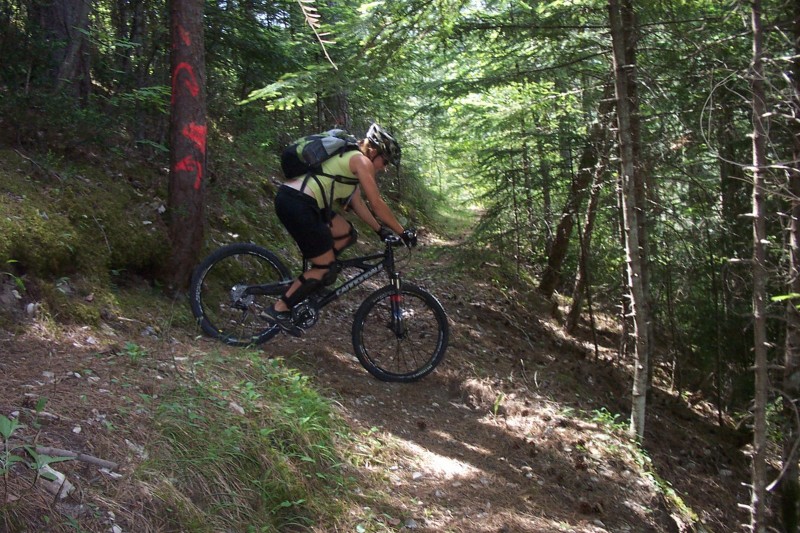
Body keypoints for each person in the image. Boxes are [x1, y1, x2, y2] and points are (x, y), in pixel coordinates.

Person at [262, 123, 417, 333]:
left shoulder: (351, 161)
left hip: (303, 203)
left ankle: (316, 279)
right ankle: (278, 309)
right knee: (324, 267)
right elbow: (377, 203)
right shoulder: (360, 160)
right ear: (373, 151)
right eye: (385, 160)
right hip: (297, 204)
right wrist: (402, 232)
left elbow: (358, 204)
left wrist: (380, 231)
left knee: (346, 233)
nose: (385, 167)